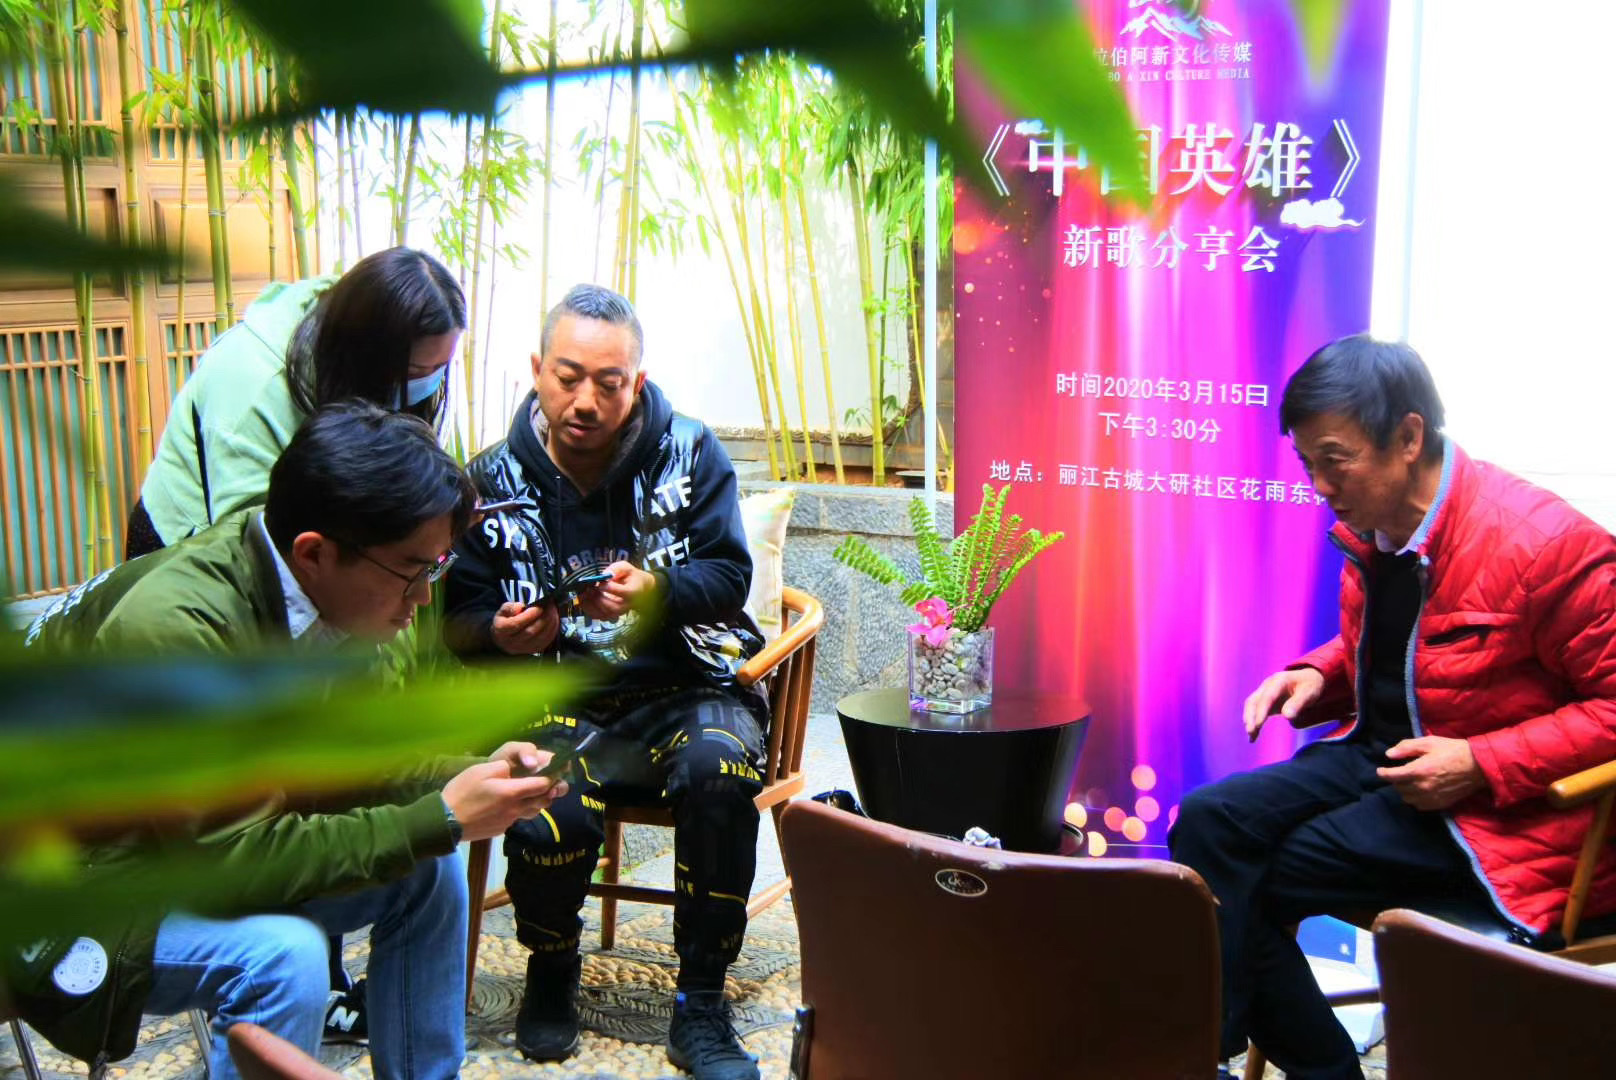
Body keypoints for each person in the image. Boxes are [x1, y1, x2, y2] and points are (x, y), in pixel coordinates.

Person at [14, 402, 569, 1080]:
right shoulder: (179, 634)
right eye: (412, 572)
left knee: (430, 872)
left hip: (182, 847)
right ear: (314, 553)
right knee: (286, 958)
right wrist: (442, 817)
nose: (424, 598)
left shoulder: (335, 597)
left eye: (436, 569)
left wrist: (474, 775)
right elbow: (235, 859)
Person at [1169, 335, 1616, 1080]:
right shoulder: (1381, 532)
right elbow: (1415, 651)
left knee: (1246, 884)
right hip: (1387, 763)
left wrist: (1480, 761)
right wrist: (1318, 675)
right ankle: (1215, 1044)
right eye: (1307, 463)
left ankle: (1243, 1054)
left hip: (1497, 813)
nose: (1320, 485)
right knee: (1209, 823)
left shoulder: (1545, 546)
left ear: (1408, 438)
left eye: (1334, 460)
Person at [444, 284, 768, 1080]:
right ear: (537, 370)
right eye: (567, 377)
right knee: (539, 795)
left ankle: (701, 1000)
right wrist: (496, 633)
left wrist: (658, 591)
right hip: (555, 699)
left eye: (609, 383)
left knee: (721, 770)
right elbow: (454, 616)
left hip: (685, 689)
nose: (584, 401)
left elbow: (731, 575)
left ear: (638, 382)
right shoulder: (487, 480)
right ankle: (551, 964)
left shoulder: (691, 453)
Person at [128, 247, 465, 558]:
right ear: (368, 351)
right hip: (189, 542)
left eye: (440, 368)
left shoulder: (357, 323)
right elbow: (255, 545)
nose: (429, 382)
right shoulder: (254, 387)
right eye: (416, 371)